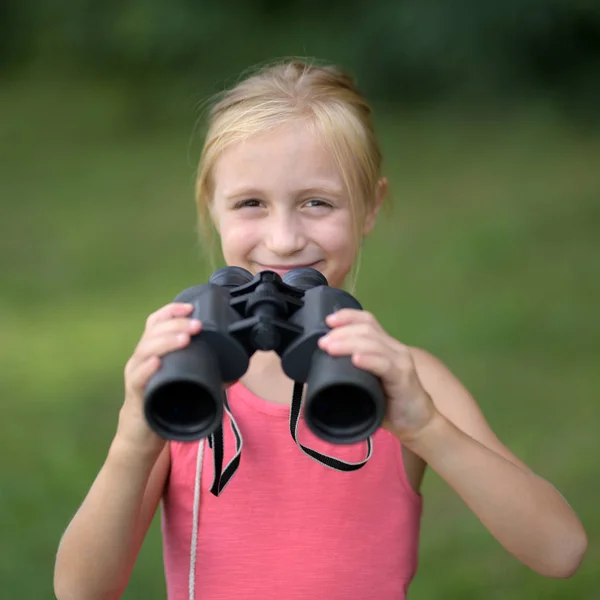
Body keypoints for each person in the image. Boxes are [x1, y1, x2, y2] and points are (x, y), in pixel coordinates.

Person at [54, 59, 587, 600]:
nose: (283, 240)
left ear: (369, 207)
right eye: (251, 204)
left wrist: (425, 426)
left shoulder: (405, 378)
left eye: (317, 203)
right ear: (212, 208)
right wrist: (131, 442)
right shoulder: (187, 380)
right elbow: (81, 592)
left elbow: (560, 550)